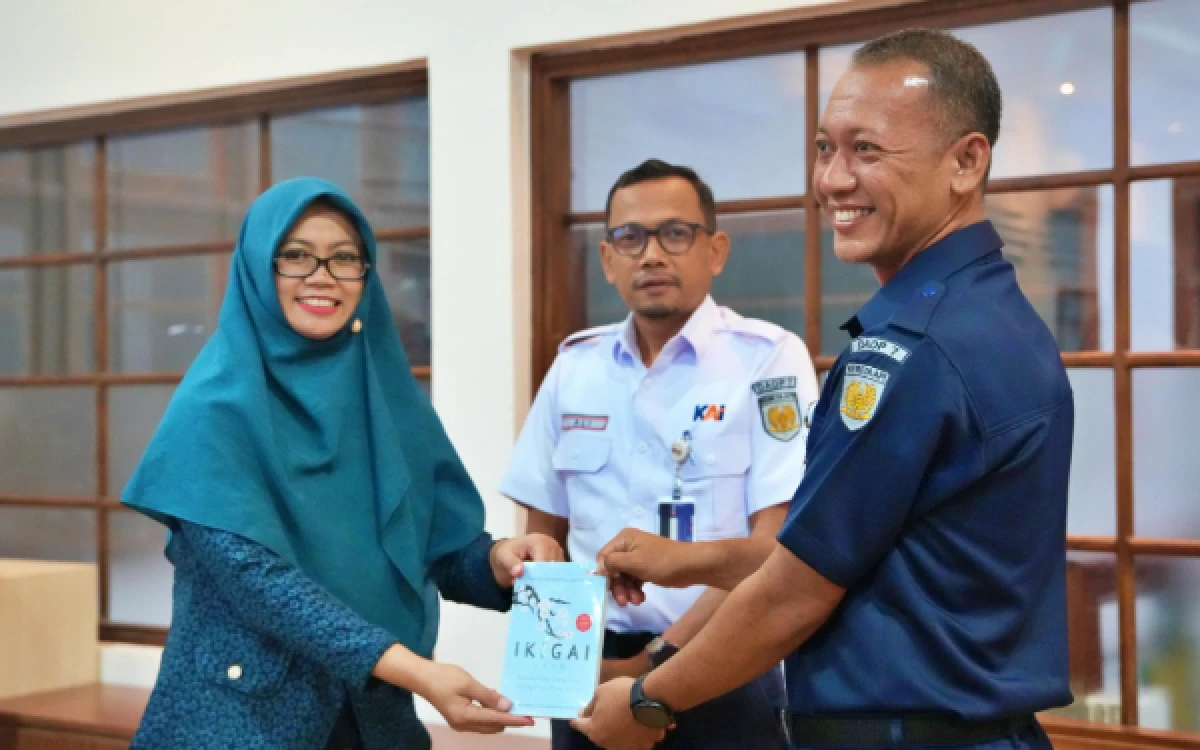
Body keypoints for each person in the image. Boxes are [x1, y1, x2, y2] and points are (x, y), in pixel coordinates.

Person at [575, 29, 1074, 750]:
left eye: (867, 150)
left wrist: (651, 699)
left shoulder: (909, 350)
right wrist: (685, 561)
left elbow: (797, 590)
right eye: (823, 148)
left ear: (967, 162)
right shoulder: (990, 314)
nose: (835, 179)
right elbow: (856, 546)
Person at [122, 177, 563, 750]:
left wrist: (501, 561)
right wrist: (420, 672)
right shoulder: (212, 410)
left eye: (344, 258)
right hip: (241, 723)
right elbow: (265, 586)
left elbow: (438, 549)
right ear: (260, 268)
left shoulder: (386, 404)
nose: (322, 276)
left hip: (375, 725)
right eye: (296, 256)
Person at [499, 159, 820, 749]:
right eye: (630, 236)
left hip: (722, 667)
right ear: (607, 259)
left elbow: (774, 554)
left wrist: (652, 667)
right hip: (588, 677)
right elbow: (544, 536)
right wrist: (552, 663)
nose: (651, 254)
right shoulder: (575, 366)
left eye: (675, 233)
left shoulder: (766, 360)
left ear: (715, 250)